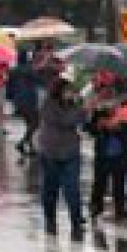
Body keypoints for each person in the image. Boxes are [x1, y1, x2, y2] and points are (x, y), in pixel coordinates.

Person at [34, 83, 88, 239]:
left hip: (70, 151)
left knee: (72, 189)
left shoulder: (74, 104)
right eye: (68, 91)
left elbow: (82, 121)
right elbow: (66, 120)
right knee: (50, 189)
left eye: (72, 91)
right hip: (50, 152)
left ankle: (76, 221)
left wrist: (85, 109)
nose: (71, 94)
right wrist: (83, 109)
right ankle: (50, 219)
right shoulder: (48, 104)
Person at [87, 77, 127, 223]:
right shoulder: (97, 109)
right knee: (100, 181)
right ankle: (96, 207)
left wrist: (117, 126)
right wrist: (99, 126)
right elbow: (90, 128)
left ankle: (120, 208)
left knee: (119, 181)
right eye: (103, 89)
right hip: (103, 150)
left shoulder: (124, 108)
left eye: (109, 89)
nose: (106, 92)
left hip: (119, 150)